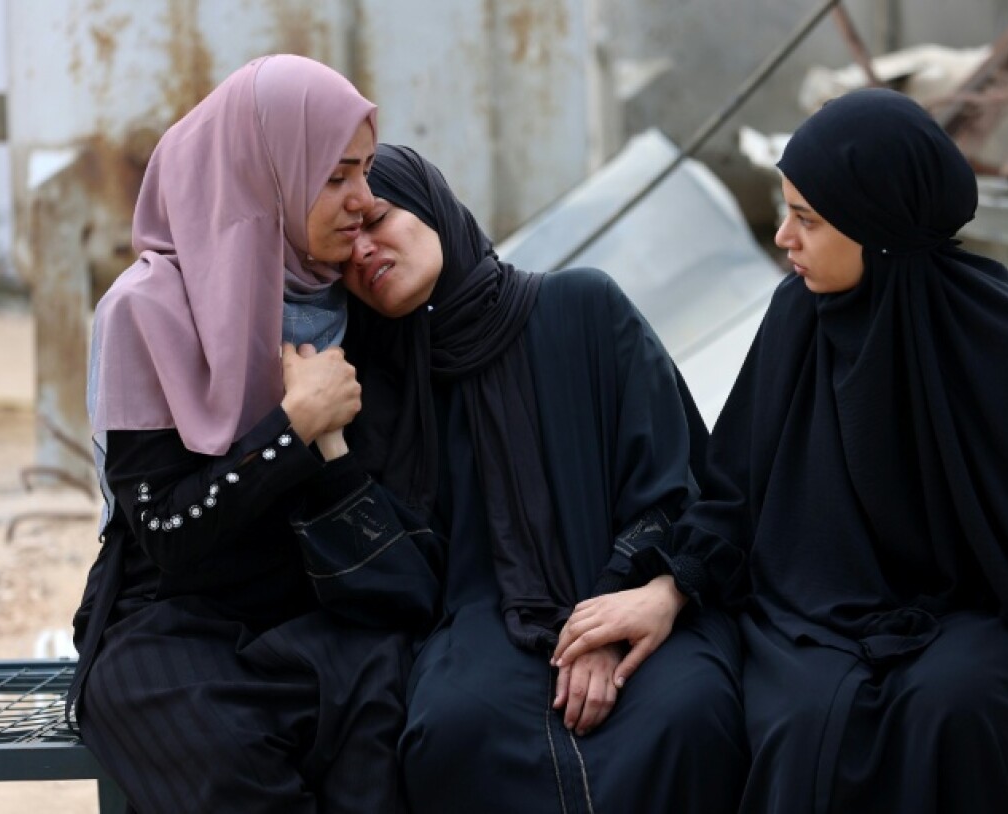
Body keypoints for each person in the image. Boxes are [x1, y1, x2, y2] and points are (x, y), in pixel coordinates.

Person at [552, 87, 1008, 813]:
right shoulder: (796, 320)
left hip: (977, 618)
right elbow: (736, 496)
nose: (783, 238)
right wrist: (668, 588)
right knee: (805, 724)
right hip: (811, 616)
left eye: (806, 219)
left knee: (958, 708)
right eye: (786, 211)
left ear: (876, 229)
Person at [71, 55, 442, 814]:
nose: (363, 201)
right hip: (174, 622)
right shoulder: (146, 311)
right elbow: (167, 532)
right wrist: (293, 430)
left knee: (397, 719)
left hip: (323, 610)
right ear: (262, 172)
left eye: (366, 172)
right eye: (336, 176)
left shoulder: (358, 303)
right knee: (207, 745)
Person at [337, 143, 748, 814]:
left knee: (688, 713)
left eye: (378, 220)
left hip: (642, 588)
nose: (362, 253)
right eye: (342, 250)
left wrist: (609, 612)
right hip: (479, 622)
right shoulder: (382, 386)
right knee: (455, 728)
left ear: (431, 207)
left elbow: (676, 485)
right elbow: (400, 570)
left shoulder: (581, 308)